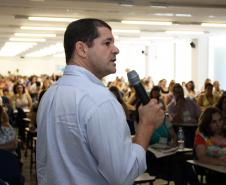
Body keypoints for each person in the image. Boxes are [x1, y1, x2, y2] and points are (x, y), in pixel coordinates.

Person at [36, 18, 164, 185]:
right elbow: (123, 175)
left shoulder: (50, 95)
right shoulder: (100, 100)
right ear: (82, 49)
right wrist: (146, 125)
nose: (116, 50)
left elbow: (46, 165)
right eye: (107, 43)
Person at [194, 107, 226, 185]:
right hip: (213, 172)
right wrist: (223, 163)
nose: (218, 125)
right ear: (207, 123)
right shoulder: (201, 137)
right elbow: (201, 157)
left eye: (220, 120)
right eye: (214, 122)